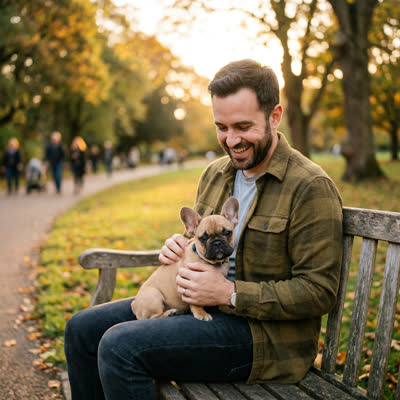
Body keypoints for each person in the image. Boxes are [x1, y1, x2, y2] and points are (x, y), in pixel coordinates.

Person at [65, 59, 343, 400]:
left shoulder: (309, 186)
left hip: (261, 337)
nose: (231, 140)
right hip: (192, 306)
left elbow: (318, 291)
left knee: (120, 346)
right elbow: (198, 236)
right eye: (221, 127)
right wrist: (179, 246)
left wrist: (229, 293)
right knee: (81, 329)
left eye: (243, 126)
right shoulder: (215, 173)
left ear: (275, 116)